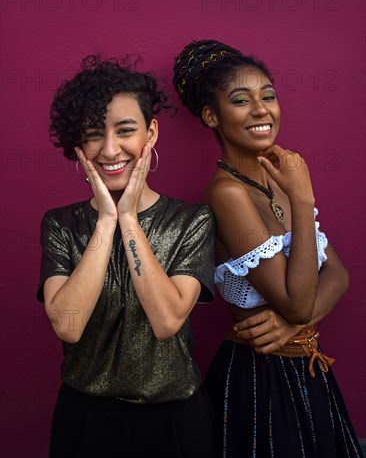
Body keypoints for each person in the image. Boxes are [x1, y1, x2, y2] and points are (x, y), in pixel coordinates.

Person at [172, 40, 362, 457]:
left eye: (269, 96)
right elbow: (296, 302)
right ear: (211, 116)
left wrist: (296, 326)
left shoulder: (277, 178)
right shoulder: (228, 194)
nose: (262, 110)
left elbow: (340, 274)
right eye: (241, 100)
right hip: (262, 379)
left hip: (306, 367)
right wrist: (304, 200)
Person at [37, 55, 217, 458]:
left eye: (125, 131)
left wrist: (130, 218)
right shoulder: (61, 225)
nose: (110, 149)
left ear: (150, 133)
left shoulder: (193, 221)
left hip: (174, 421)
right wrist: (105, 221)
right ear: (78, 145)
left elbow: (167, 320)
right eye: (93, 134)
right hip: (86, 422)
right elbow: (68, 326)